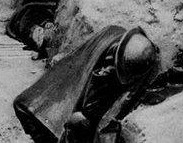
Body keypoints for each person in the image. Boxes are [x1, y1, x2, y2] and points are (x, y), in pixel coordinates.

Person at [13, 25, 159, 143]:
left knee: (69, 121)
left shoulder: (116, 34)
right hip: (73, 77)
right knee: (27, 105)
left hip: (79, 92)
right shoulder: (111, 45)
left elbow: (89, 108)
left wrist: (84, 115)